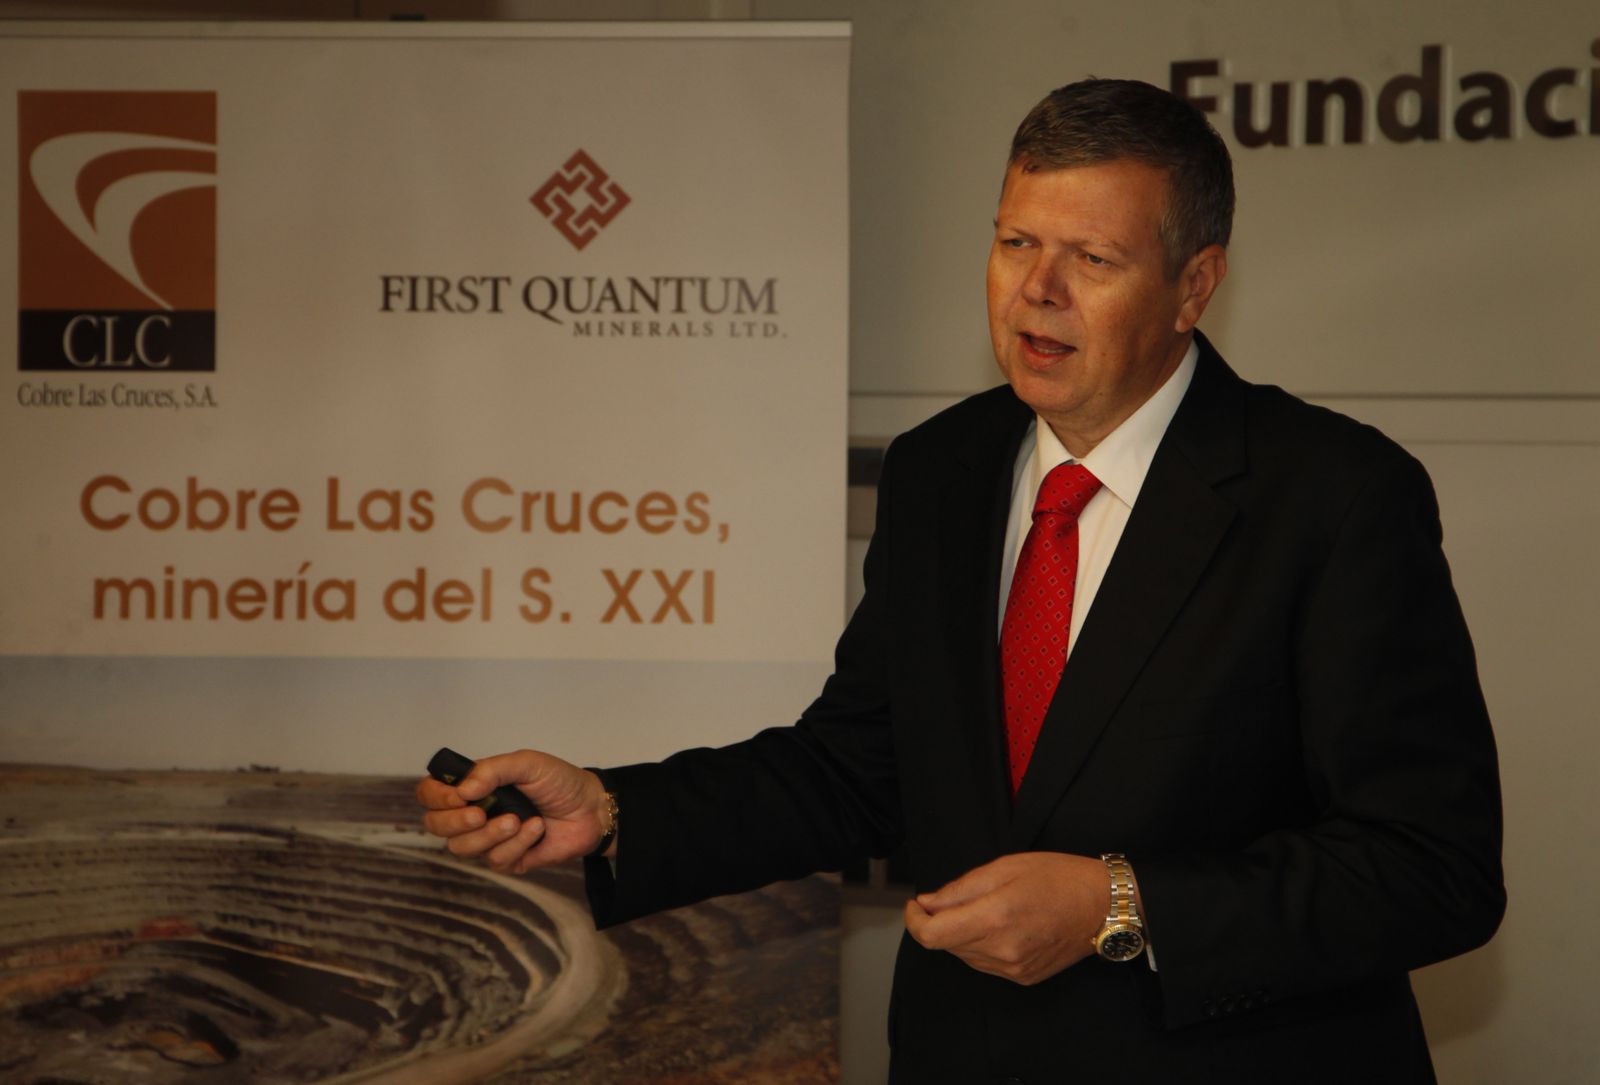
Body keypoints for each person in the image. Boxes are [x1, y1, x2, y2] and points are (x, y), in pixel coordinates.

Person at [418, 78, 1504, 1083]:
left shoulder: (1333, 493)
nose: (1037, 290)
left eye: (1091, 258)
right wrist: (615, 807)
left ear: (1193, 286)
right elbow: (859, 765)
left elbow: (1431, 865)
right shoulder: (945, 467)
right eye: (1015, 241)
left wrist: (1119, 904)